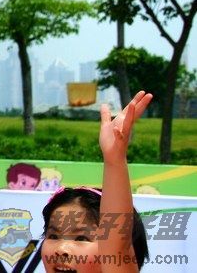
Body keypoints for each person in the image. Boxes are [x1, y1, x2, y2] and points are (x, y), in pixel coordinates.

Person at [40, 91, 153, 272]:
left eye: (81, 238)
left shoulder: (116, 252)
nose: (61, 249)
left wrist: (114, 159)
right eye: (53, 236)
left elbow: (116, 247)